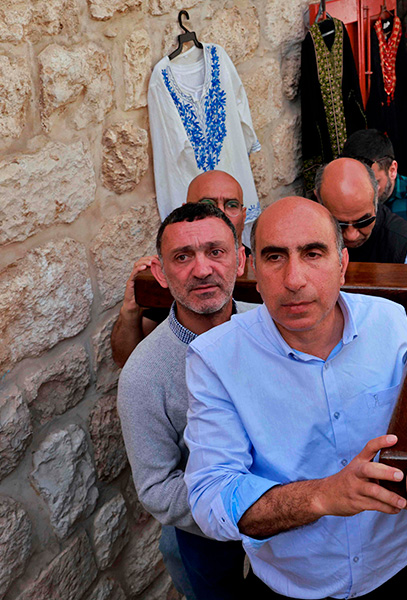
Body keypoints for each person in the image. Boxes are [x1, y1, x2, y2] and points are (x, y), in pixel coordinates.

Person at [183, 196, 407, 599]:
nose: (294, 279)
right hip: (293, 585)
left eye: (313, 253)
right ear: (252, 270)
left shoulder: (388, 321)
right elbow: (211, 499)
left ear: (343, 264)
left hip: (396, 570)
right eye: (275, 257)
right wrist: (324, 494)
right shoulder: (215, 358)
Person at [118, 203, 249, 599]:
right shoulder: (143, 374)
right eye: (182, 257)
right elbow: (157, 487)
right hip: (204, 531)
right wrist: (254, 508)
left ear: (240, 260)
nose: (203, 269)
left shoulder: (272, 328)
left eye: (216, 251)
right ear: (160, 272)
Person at [111, 170, 250, 367]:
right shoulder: (174, 275)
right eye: (207, 205)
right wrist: (130, 309)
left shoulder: (266, 267)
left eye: (232, 205)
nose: (221, 212)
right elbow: (126, 361)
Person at [316, 158, 407, 265]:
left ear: (375, 199)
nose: (351, 236)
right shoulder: (306, 235)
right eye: (340, 224)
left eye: (363, 222)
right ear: (319, 200)